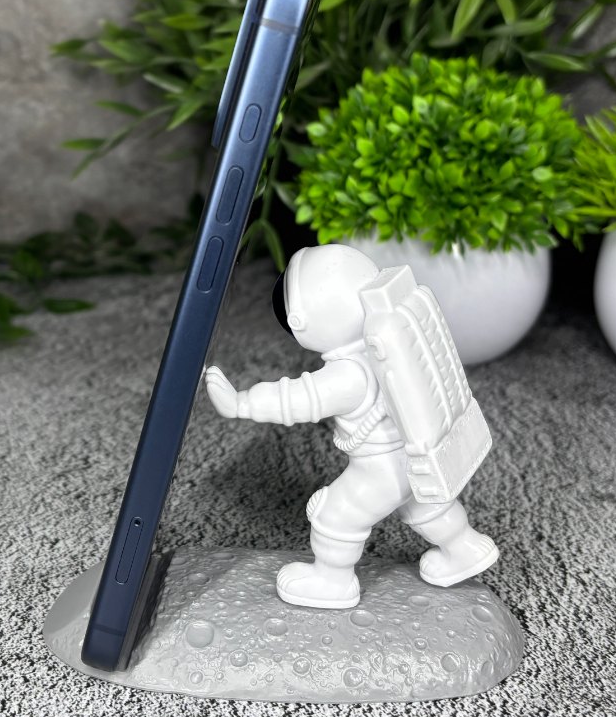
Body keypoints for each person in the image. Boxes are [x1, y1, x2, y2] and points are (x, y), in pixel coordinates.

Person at [204, 244, 498, 609]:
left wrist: (241, 403)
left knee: (336, 515)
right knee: (422, 506)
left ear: (300, 322)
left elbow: (297, 397)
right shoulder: (386, 344)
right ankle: (465, 547)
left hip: (381, 468)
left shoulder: (349, 375)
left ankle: (333, 581)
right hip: (410, 457)